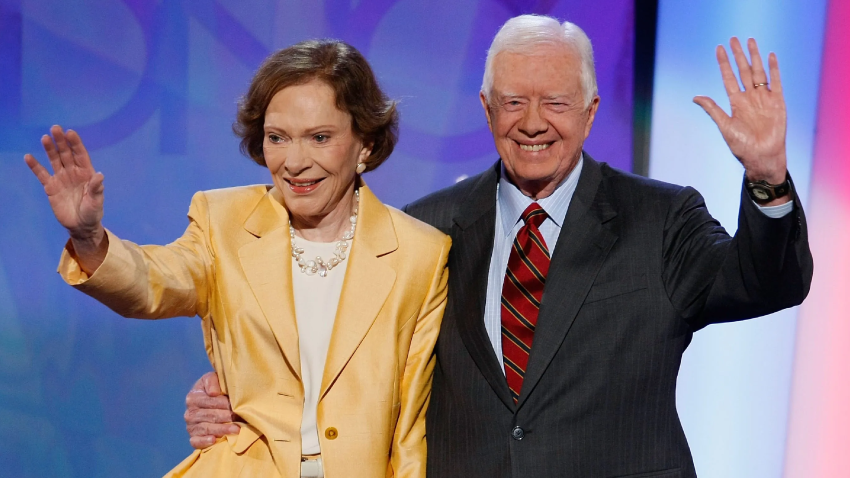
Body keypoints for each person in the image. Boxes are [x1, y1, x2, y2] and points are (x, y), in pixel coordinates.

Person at [186, 14, 813, 478]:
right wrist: (237, 399)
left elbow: (766, 282)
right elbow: (352, 366)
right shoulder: (424, 233)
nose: (533, 121)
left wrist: (766, 177)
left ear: (591, 111)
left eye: (556, 102)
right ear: (487, 110)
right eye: (513, 101)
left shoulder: (660, 217)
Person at [25, 40, 450, 478]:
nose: (295, 162)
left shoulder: (420, 253)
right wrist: (89, 236)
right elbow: (151, 283)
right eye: (277, 138)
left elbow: (410, 428)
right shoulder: (224, 223)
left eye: (320, 137)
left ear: (365, 144)